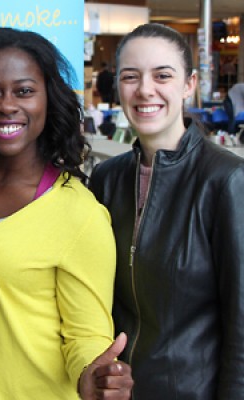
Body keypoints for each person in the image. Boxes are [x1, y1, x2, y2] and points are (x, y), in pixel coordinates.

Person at [0, 27, 133, 400]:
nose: (7, 105)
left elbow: (87, 332)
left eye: (24, 91)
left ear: (48, 101)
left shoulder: (78, 213)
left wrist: (93, 375)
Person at [89, 23, 244, 399]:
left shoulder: (226, 180)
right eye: (131, 76)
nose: (145, 90)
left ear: (189, 84)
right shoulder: (106, 179)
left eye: (162, 75)